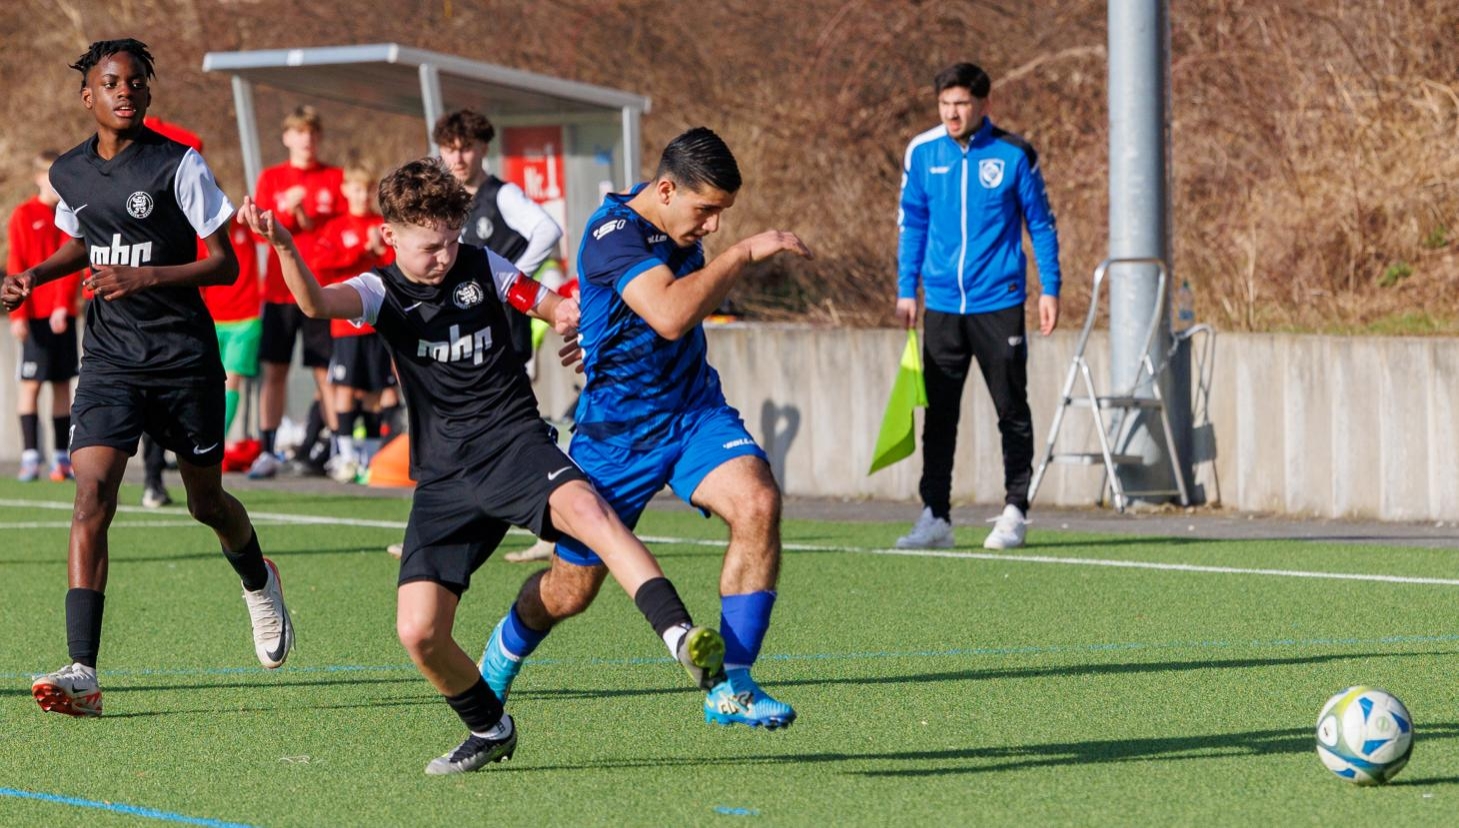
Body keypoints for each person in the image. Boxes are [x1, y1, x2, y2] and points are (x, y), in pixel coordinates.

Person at [239, 157, 726, 775]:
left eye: (451, 241)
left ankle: (680, 637)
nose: (443, 257)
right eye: (429, 247)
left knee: (591, 512)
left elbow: (547, 303)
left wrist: (572, 320)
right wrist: (284, 245)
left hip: (514, 444)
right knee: (419, 633)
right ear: (390, 237)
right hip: (444, 478)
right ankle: (489, 728)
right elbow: (313, 303)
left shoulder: (482, 266)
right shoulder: (378, 291)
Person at [475, 127, 812, 730]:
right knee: (570, 592)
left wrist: (597, 332)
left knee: (758, 501)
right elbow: (671, 314)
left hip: (693, 412)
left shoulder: (670, 218)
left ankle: (732, 686)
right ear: (666, 190)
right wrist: (742, 253)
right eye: (706, 211)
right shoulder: (613, 233)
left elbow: (647, 309)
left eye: (723, 214)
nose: (713, 226)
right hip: (617, 435)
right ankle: (501, 654)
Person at [2, 38, 293, 718]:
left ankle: (259, 581)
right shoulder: (69, 172)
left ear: (148, 92)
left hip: (182, 358)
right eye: (111, 83)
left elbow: (225, 263)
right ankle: (83, 671)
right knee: (91, 494)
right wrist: (33, 275)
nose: (125, 91)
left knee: (206, 503)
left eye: (135, 81)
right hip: (109, 359)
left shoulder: (178, 164)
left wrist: (146, 276)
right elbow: (83, 242)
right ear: (89, 97)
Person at [894, 62, 1062, 552]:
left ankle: (1015, 511)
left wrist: (1050, 288)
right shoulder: (922, 152)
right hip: (942, 304)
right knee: (939, 416)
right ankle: (935, 515)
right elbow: (912, 223)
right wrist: (907, 288)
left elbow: (1041, 224)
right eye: (944, 104)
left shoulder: (1014, 154)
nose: (951, 113)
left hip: (999, 301)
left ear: (985, 104)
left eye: (961, 104)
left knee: (1011, 408)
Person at [433, 108, 564, 562]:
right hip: (460, 328)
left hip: (501, 327)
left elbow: (548, 230)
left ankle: (554, 520)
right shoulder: (444, 199)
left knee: (516, 423)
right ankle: (445, 528)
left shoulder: (501, 195)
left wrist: (509, 281)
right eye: (449, 148)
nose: (458, 157)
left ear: (483, 148)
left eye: (466, 148)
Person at [249, 105, 343, 479]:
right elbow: (259, 229)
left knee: (325, 372)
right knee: (275, 371)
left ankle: (340, 450)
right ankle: (267, 449)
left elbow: (340, 230)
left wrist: (307, 216)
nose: (307, 139)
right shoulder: (272, 178)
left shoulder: (334, 178)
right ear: (287, 137)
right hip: (279, 291)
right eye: (300, 132)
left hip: (320, 291)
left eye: (312, 132)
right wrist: (287, 211)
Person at [310, 165, 393, 484]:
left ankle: (368, 459)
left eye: (367, 190)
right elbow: (321, 265)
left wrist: (379, 250)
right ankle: (345, 455)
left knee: (374, 390)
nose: (362, 196)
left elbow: (396, 268)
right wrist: (359, 250)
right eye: (357, 189)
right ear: (345, 191)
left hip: (377, 324)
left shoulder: (381, 226)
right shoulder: (336, 227)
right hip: (346, 325)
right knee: (344, 387)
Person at [7, 150, 82, 483]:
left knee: (62, 383)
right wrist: (18, 315)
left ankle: (61, 457)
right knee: (31, 384)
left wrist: (63, 305)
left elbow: (72, 265)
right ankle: (30, 456)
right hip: (34, 316)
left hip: (60, 316)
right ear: (39, 178)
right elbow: (17, 263)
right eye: (51, 177)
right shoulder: (23, 215)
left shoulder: (69, 214)